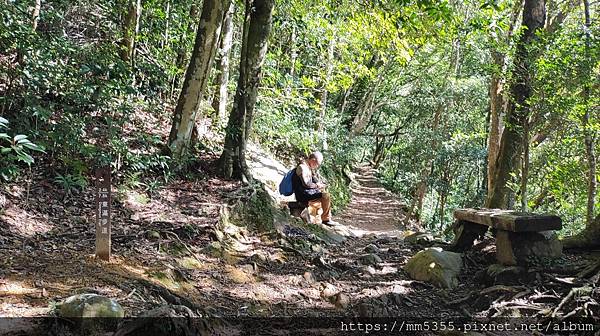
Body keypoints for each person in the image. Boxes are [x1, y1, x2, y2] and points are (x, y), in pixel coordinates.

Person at [292, 151, 339, 226]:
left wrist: (320, 184)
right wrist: (317, 185)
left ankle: (318, 218)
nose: (317, 166)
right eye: (317, 164)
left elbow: (312, 181)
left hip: (308, 192)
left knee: (323, 194)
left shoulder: (307, 167)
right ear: (313, 160)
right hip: (303, 194)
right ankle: (326, 219)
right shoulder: (302, 167)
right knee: (325, 196)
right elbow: (306, 184)